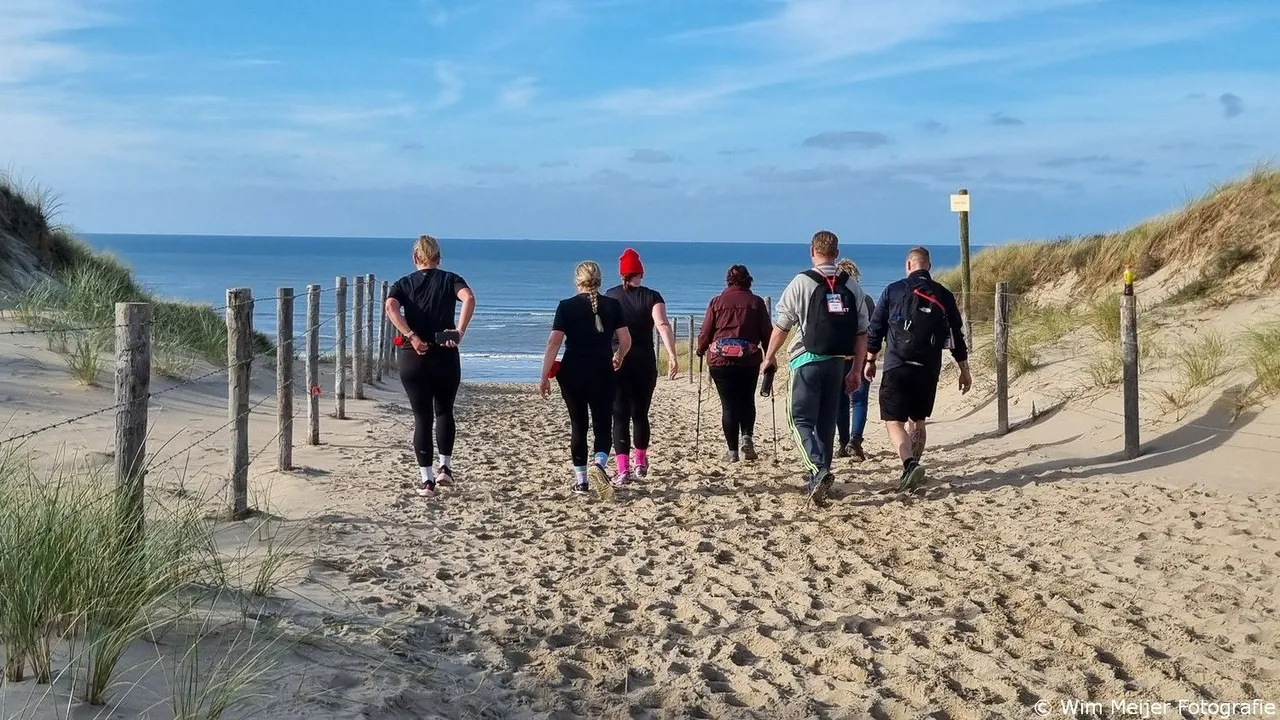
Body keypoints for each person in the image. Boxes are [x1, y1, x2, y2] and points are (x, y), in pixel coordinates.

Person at [761, 230, 869, 506]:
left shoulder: (802, 282)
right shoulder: (851, 285)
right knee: (825, 425)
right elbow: (861, 333)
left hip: (805, 360)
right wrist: (856, 369)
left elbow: (782, 325)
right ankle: (820, 478)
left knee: (799, 421)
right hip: (837, 362)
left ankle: (816, 470)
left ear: (813, 251)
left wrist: (769, 356)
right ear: (837, 252)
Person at [864, 246, 972, 492]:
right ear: (929, 266)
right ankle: (914, 468)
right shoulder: (943, 294)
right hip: (928, 367)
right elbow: (956, 334)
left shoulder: (893, 290)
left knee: (893, 422)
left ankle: (909, 465)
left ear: (908, 266)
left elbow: (875, 328)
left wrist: (870, 360)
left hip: (897, 365)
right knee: (918, 422)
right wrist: (964, 369)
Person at [385, 234, 476, 498]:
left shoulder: (403, 283)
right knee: (444, 411)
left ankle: (426, 481)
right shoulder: (450, 279)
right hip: (444, 353)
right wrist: (459, 331)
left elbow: (391, 307)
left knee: (421, 417)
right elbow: (468, 297)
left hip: (413, 356)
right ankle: (445, 467)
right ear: (438, 258)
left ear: (415, 258)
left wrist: (410, 334)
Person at [539, 261, 632, 494]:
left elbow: (554, 343)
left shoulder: (566, 306)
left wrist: (544, 376)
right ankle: (599, 465)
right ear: (599, 279)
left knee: (578, 426)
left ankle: (581, 481)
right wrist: (618, 356)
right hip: (602, 371)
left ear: (576, 280)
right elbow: (626, 340)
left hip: (572, 373)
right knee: (602, 424)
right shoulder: (613, 305)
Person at [606, 248, 678, 484]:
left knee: (619, 416)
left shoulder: (610, 296)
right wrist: (672, 355)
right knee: (640, 414)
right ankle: (640, 463)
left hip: (617, 360)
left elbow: (605, 330)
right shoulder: (652, 296)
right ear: (641, 272)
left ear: (622, 274)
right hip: (645, 362)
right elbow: (663, 325)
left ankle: (623, 469)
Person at [696, 264, 772, 462]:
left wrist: (700, 349)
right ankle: (746, 436)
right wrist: (770, 355)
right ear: (749, 280)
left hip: (720, 363)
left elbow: (706, 332)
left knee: (728, 406)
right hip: (748, 361)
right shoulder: (756, 303)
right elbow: (767, 333)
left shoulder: (717, 302)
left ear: (728, 280)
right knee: (747, 400)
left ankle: (732, 452)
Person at [834, 258, 876, 461]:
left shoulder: (833, 297)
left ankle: (843, 443)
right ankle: (855, 440)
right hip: (860, 355)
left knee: (841, 401)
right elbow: (873, 332)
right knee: (859, 400)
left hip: (837, 356)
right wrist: (871, 357)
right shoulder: (866, 299)